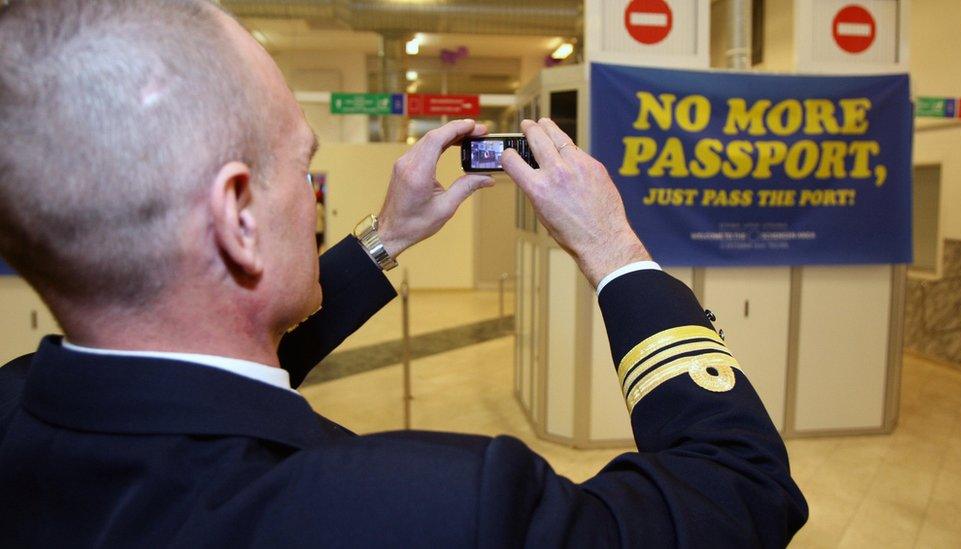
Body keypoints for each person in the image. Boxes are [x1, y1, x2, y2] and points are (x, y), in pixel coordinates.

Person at [0, 0, 807, 546]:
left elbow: (201, 377)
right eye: (301, 165)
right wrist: (616, 253)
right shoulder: (435, 508)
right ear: (238, 215)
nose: (312, 196)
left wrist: (386, 236)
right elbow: (740, 487)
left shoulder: (19, 408)